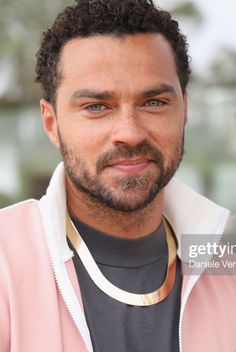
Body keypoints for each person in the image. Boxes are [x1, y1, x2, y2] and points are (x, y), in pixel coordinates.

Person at [0, 0, 235, 351]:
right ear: (51, 123)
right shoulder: (5, 256)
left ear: (184, 109)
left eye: (153, 102)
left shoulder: (223, 255)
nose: (130, 132)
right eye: (96, 107)